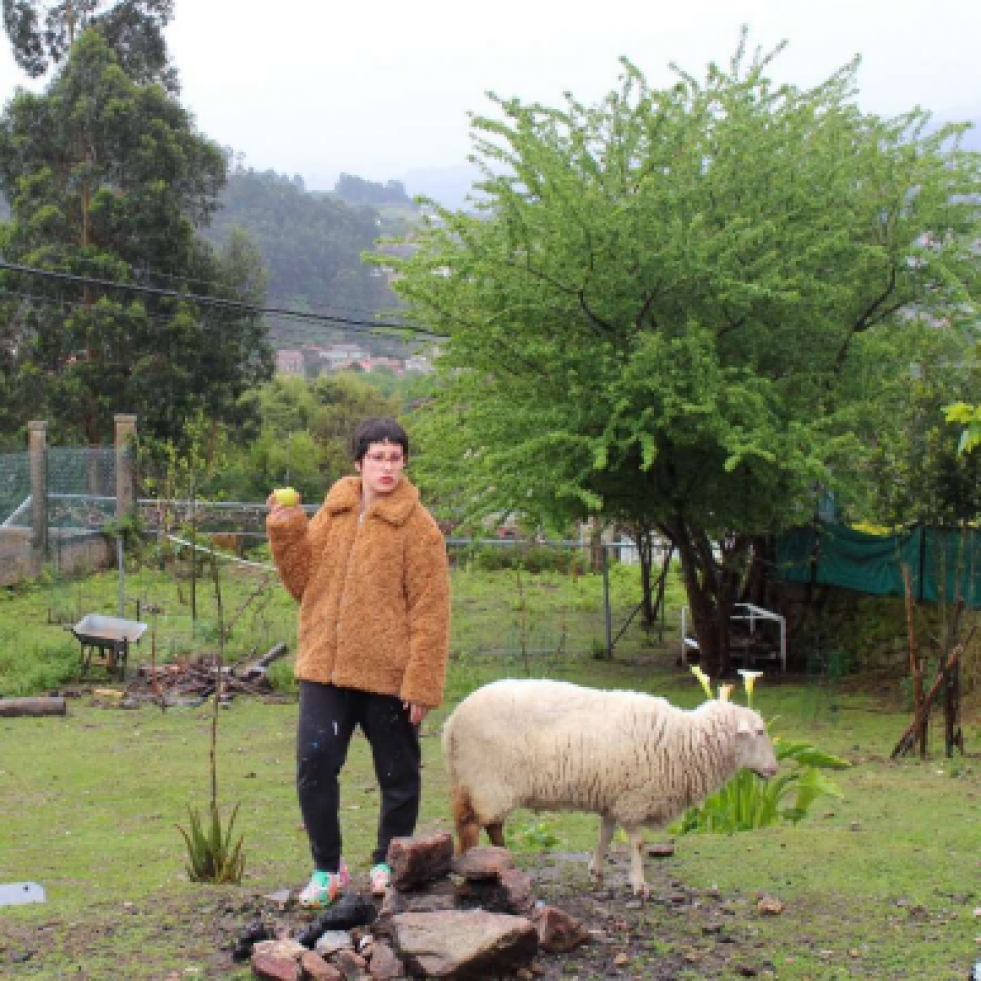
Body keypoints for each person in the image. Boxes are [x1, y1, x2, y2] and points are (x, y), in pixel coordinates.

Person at [265, 417, 451, 906]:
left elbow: (432, 612)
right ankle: (327, 869)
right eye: (377, 457)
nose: (386, 466)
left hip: (389, 676)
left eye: (395, 457)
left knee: (398, 775)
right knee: (314, 765)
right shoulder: (333, 513)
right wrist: (287, 531)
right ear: (359, 463)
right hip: (323, 668)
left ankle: (388, 863)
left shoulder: (421, 529)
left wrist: (422, 684)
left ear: (404, 462)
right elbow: (301, 583)